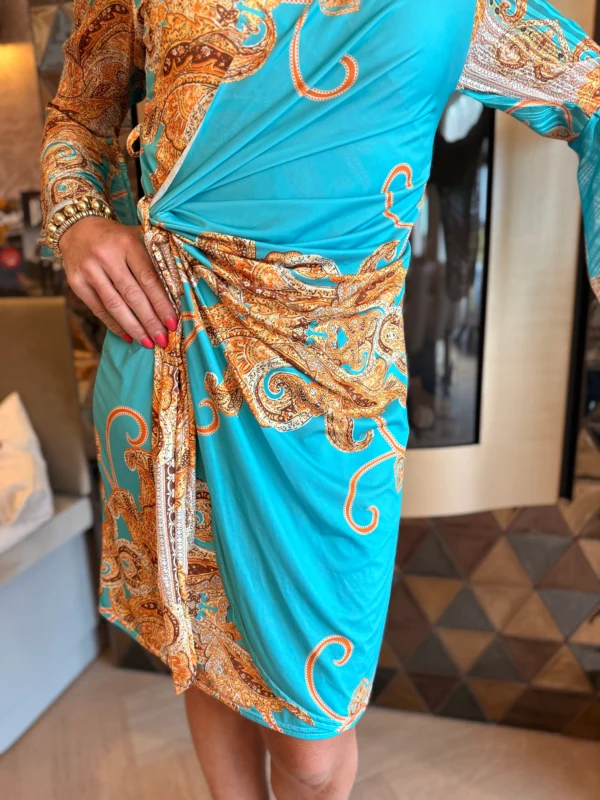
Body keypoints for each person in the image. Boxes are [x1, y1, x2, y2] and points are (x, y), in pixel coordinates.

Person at [40, 1, 600, 798]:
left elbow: (591, 99)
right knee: (206, 647)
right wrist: (78, 221)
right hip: (168, 350)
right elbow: (79, 116)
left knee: (313, 735)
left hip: (334, 407)